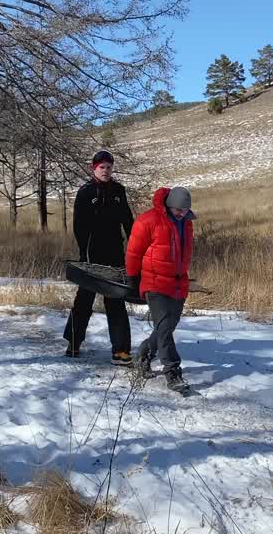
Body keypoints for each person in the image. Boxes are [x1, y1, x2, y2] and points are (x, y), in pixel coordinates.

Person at [64, 150, 135, 365]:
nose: (105, 171)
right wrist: (84, 253)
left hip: (114, 254)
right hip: (91, 254)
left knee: (116, 299)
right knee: (84, 299)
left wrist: (134, 246)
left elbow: (128, 221)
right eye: (101, 167)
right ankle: (74, 342)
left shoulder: (118, 191)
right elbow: (79, 226)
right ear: (93, 168)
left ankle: (120, 350)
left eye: (109, 167)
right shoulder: (85, 192)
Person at [125, 186, 195, 393]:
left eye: (185, 210)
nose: (182, 214)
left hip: (178, 282)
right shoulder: (148, 220)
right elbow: (133, 252)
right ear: (168, 205)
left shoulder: (187, 223)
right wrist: (132, 278)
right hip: (153, 281)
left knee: (167, 327)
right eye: (178, 210)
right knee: (164, 327)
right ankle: (173, 372)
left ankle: (143, 356)